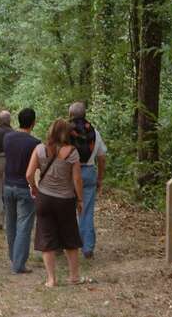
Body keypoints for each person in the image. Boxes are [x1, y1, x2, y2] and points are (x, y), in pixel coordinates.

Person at [26, 119, 84, 287]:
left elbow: (29, 174)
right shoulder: (72, 152)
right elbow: (77, 179)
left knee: (46, 237)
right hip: (65, 200)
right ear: (66, 133)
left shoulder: (39, 149)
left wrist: (34, 187)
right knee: (70, 237)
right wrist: (80, 199)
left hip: (44, 198)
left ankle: (51, 279)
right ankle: (74, 276)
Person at [3, 108, 40, 274]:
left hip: (8, 184)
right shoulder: (35, 143)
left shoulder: (8, 137)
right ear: (33, 122)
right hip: (24, 187)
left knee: (10, 223)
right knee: (24, 225)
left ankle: (14, 258)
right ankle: (18, 264)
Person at [69, 101, 107, 259]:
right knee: (86, 211)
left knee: (67, 210)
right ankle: (87, 247)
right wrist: (100, 178)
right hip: (89, 172)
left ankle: (67, 244)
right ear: (85, 114)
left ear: (70, 115)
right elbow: (102, 156)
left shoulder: (66, 133)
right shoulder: (95, 133)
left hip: (70, 174)